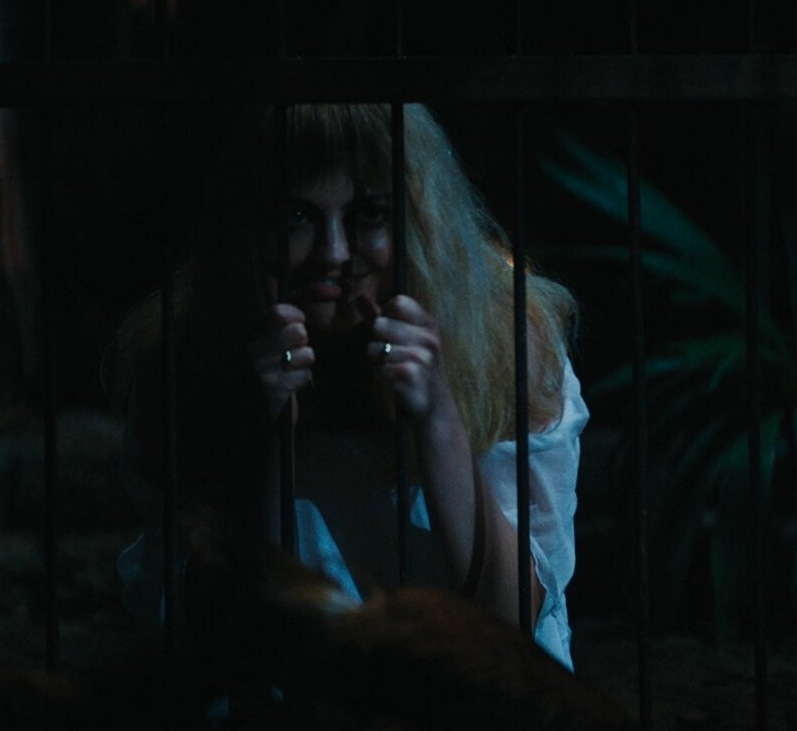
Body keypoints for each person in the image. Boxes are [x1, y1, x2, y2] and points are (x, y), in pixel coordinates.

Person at [111, 103, 587, 670]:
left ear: (418, 219)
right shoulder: (184, 355)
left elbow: (512, 626)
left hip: (465, 693)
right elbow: (210, 635)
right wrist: (264, 440)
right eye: (298, 217)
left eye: (370, 215)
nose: (334, 254)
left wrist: (439, 418)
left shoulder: (506, 339)